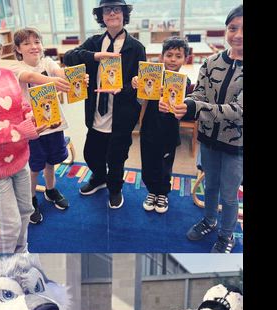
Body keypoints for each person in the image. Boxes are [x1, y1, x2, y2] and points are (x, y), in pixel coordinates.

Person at [0, 21, 54, 253]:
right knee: (8, 224)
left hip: (19, 159)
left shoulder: (8, 75)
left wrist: (33, 116)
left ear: (0, 47)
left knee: (26, 211)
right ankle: (3, 270)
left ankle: (21, 254)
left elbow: (21, 105)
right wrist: (21, 131)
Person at [171, 5, 244, 253]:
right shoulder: (211, 62)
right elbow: (201, 92)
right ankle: (209, 220)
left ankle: (227, 236)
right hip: (208, 138)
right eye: (233, 28)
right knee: (210, 184)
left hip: (236, 144)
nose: (238, 35)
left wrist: (195, 107)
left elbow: (238, 110)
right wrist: (189, 102)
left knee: (230, 193)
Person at [63, 0, 146, 209]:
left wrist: (125, 88)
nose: (112, 14)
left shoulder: (136, 47)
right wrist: (95, 56)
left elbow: (144, 83)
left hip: (122, 111)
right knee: (91, 152)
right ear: (101, 15)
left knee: (117, 156)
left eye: (117, 9)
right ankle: (99, 178)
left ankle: (115, 188)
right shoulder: (93, 42)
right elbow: (69, 57)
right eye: (107, 10)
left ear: (124, 14)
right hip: (96, 110)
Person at [9, 27, 87, 224]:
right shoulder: (16, 67)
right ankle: (31, 199)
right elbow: (30, 78)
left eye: (36, 42)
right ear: (18, 49)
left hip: (53, 123)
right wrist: (53, 81)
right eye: (27, 43)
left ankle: (51, 190)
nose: (33, 47)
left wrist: (76, 78)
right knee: (34, 167)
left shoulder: (48, 62)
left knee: (52, 161)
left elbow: (60, 72)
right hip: (33, 127)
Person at [131, 37, 192, 214]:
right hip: (149, 128)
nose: (173, 59)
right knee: (148, 163)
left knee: (165, 165)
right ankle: (151, 191)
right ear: (162, 57)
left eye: (178, 56)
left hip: (169, 132)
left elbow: (184, 105)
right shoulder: (152, 74)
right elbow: (140, 98)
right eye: (169, 55)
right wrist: (137, 82)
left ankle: (163, 193)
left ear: (185, 59)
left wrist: (167, 91)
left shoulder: (184, 81)